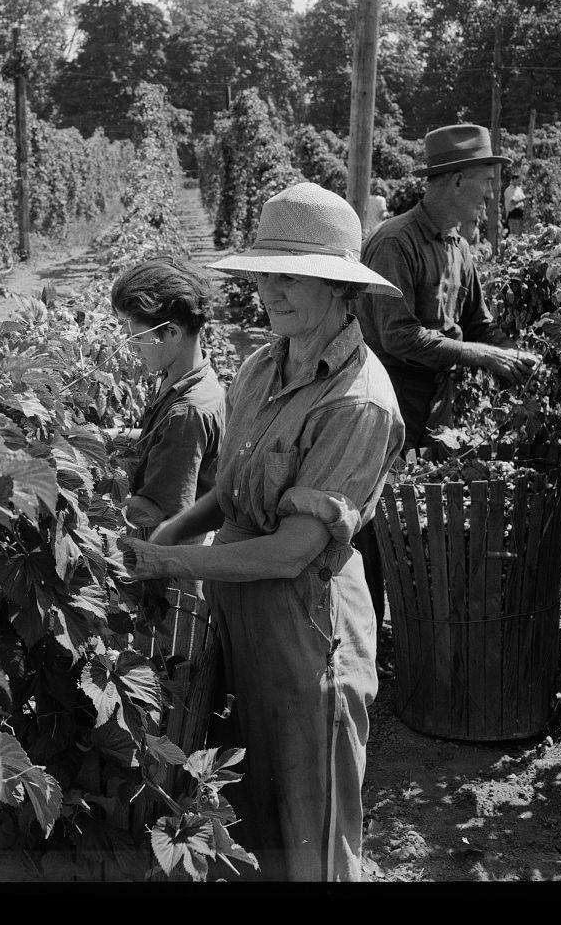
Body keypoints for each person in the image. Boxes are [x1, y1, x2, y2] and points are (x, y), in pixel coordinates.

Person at [118, 183, 405, 882]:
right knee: (259, 819)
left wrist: (160, 561)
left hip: (311, 635)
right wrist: (168, 541)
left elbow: (294, 549)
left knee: (315, 833)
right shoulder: (261, 365)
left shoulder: (358, 401)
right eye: (264, 273)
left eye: (291, 275)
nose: (270, 289)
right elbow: (228, 494)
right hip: (243, 619)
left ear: (341, 291)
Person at [352, 124, 538, 652]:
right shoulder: (394, 243)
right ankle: (369, 643)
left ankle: (409, 636)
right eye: (485, 183)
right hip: (385, 406)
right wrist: (483, 356)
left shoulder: (458, 247)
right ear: (455, 181)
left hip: (436, 411)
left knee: (421, 521)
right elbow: (398, 334)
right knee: (376, 524)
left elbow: (478, 326)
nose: (491, 198)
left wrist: (516, 354)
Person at [106, 257, 225, 541]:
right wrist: (113, 436)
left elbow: (155, 510)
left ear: (171, 333)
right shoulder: (187, 376)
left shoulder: (187, 413)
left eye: (136, 338)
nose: (132, 348)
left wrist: (86, 491)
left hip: (171, 570)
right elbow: (164, 439)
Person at [504, 170, 526, 235]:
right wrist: (523, 199)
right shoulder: (509, 190)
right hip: (513, 214)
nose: (519, 182)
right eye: (518, 180)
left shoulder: (519, 189)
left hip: (520, 214)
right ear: (513, 179)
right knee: (513, 235)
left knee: (520, 234)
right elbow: (512, 202)